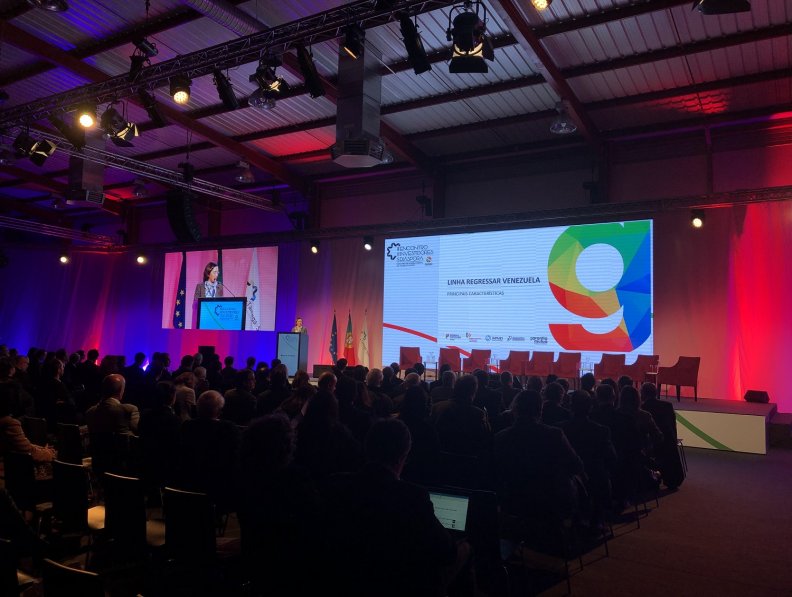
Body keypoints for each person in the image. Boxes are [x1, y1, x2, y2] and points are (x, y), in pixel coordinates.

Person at [323, 418, 466, 597]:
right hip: (397, 584)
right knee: (465, 551)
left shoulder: (335, 484)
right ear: (402, 457)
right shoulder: (413, 497)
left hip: (342, 581)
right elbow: (447, 553)